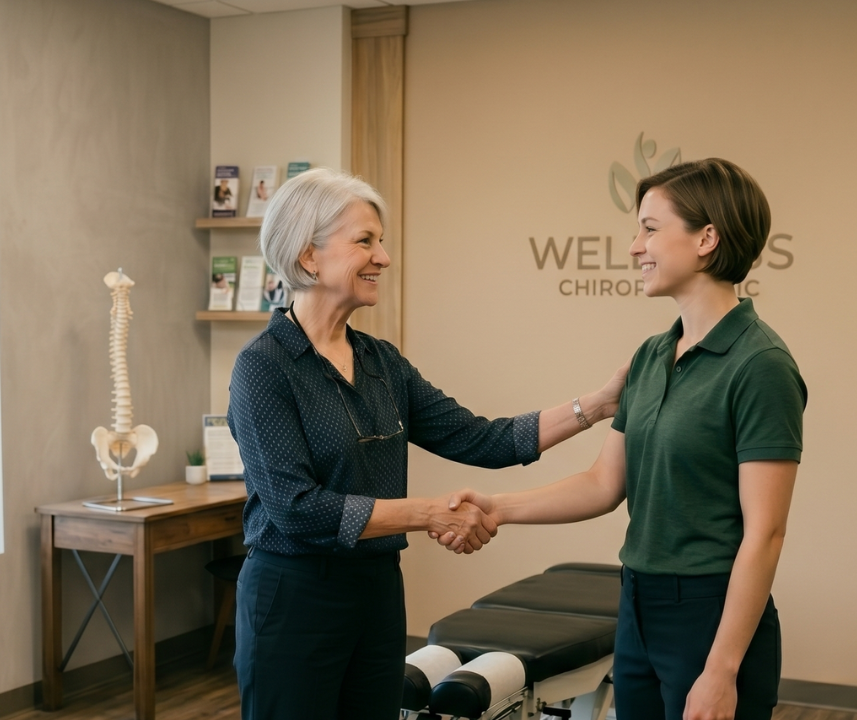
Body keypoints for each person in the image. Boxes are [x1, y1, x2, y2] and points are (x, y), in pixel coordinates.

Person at [227, 168, 626, 720]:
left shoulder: (381, 362)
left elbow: (482, 438)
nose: (384, 258)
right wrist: (430, 514)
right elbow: (297, 510)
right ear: (307, 257)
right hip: (294, 598)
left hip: (377, 592)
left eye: (381, 242)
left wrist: (596, 406)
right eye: (365, 241)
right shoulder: (263, 368)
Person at [451, 159, 806, 720]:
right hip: (637, 600)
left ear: (707, 238)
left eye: (650, 227)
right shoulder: (651, 355)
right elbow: (603, 483)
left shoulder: (760, 365)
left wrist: (720, 671)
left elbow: (765, 533)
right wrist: (498, 507)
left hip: (710, 614)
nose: (634, 245)